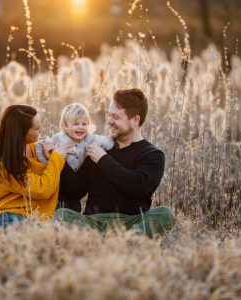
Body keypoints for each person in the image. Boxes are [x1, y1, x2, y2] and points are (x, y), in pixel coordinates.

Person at [55, 88, 175, 237]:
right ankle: (101, 242)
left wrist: (103, 159)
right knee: (62, 214)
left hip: (132, 222)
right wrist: (59, 157)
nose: (109, 121)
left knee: (165, 214)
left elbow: (137, 186)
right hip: (93, 222)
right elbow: (75, 190)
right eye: (109, 115)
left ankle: (128, 241)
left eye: (116, 117)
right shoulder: (100, 146)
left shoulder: (152, 155)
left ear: (135, 120)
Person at [0, 104, 72, 228]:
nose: (41, 130)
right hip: (8, 216)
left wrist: (48, 159)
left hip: (35, 218)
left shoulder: (38, 149)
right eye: (37, 128)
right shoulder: (5, 164)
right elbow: (42, 189)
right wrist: (57, 158)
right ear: (21, 133)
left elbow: (50, 175)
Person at [35, 103, 113, 212]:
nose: (81, 127)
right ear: (66, 126)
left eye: (84, 124)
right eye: (76, 124)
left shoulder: (89, 139)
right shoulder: (59, 139)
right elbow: (39, 146)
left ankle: (73, 216)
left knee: (73, 205)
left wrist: (99, 146)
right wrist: (49, 159)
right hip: (60, 180)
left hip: (78, 181)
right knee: (60, 202)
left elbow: (109, 142)